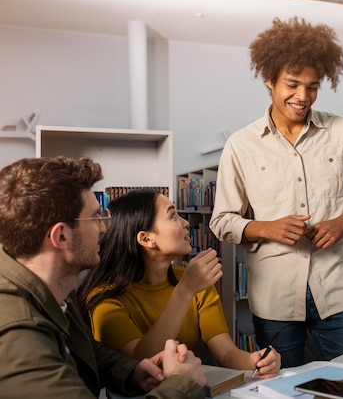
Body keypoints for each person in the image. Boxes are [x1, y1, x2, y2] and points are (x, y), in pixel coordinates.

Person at [208, 17, 343, 368]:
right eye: (292, 84)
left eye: (313, 86)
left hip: (337, 293)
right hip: (274, 301)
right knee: (279, 387)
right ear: (270, 81)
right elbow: (221, 221)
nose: (302, 96)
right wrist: (265, 227)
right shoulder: (240, 145)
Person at [0, 156, 206, 399]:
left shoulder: (57, 288)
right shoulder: (17, 334)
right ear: (61, 236)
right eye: (95, 217)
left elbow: (85, 350)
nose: (104, 228)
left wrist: (132, 371)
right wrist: (182, 384)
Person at [78, 188, 280, 379]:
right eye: (172, 215)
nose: (185, 223)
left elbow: (225, 352)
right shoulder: (105, 298)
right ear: (147, 238)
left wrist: (254, 360)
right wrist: (185, 290)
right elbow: (143, 362)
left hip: (188, 388)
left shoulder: (194, 282)